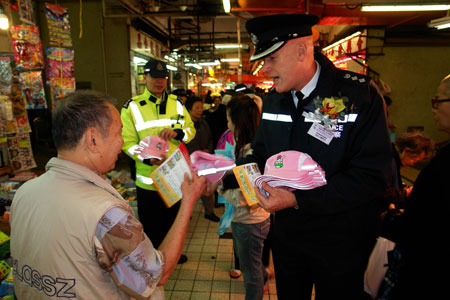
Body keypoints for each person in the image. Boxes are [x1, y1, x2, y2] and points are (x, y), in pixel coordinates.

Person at [239, 14, 392, 299]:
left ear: (301, 50)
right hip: (289, 239)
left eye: (271, 58)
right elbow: (259, 154)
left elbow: (371, 177)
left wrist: (298, 199)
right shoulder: (275, 100)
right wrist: (230, 174)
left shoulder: (358, 96)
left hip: (341, 241)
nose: (265, 69)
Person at [10, 90, 206, 300]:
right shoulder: (106, 212)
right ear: (92, 139)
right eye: (118, 133)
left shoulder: (24, 192)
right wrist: (188, 201)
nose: (123, 143)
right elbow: (156, 275)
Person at [378, 74, 450, 299]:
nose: (433, 109)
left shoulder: (445, 162)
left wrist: (386, 218)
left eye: (437, 101)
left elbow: (419, 225)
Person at [121, 58, 195, 264]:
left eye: (163, 77)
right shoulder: (132, 107)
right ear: (145, 78)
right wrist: (145, 157)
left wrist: (179, 133)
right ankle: (154, 261)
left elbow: (191, 130)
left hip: (174, 177)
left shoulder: (178, 104)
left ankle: (172, 255)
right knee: (151, 225)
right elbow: (126, 143)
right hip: (148, 179)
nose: (159, 81)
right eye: (154, 77)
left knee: (174, 222)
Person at [219, 95, 271, 300]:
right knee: (254, 265)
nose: (227, 124)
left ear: (238, 123)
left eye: (229, 120)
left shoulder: (251, 152)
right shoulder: (249, 146)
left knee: (250, 275)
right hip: (256, 219)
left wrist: (219, 186)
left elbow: (246, 197)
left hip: (250, 221)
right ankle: (263, 275)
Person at [185, 96, 220, 222]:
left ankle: (209, 211)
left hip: (204, 161)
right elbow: (186, 144)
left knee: (206, 187)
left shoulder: (204, 122)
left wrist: (208, 150)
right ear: (189, 109)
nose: (200, 110)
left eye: (201, 107)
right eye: (197, 108)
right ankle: (186, 213)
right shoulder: (184, 126)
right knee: (189, 188)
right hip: (189, 162)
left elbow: (210, 139)